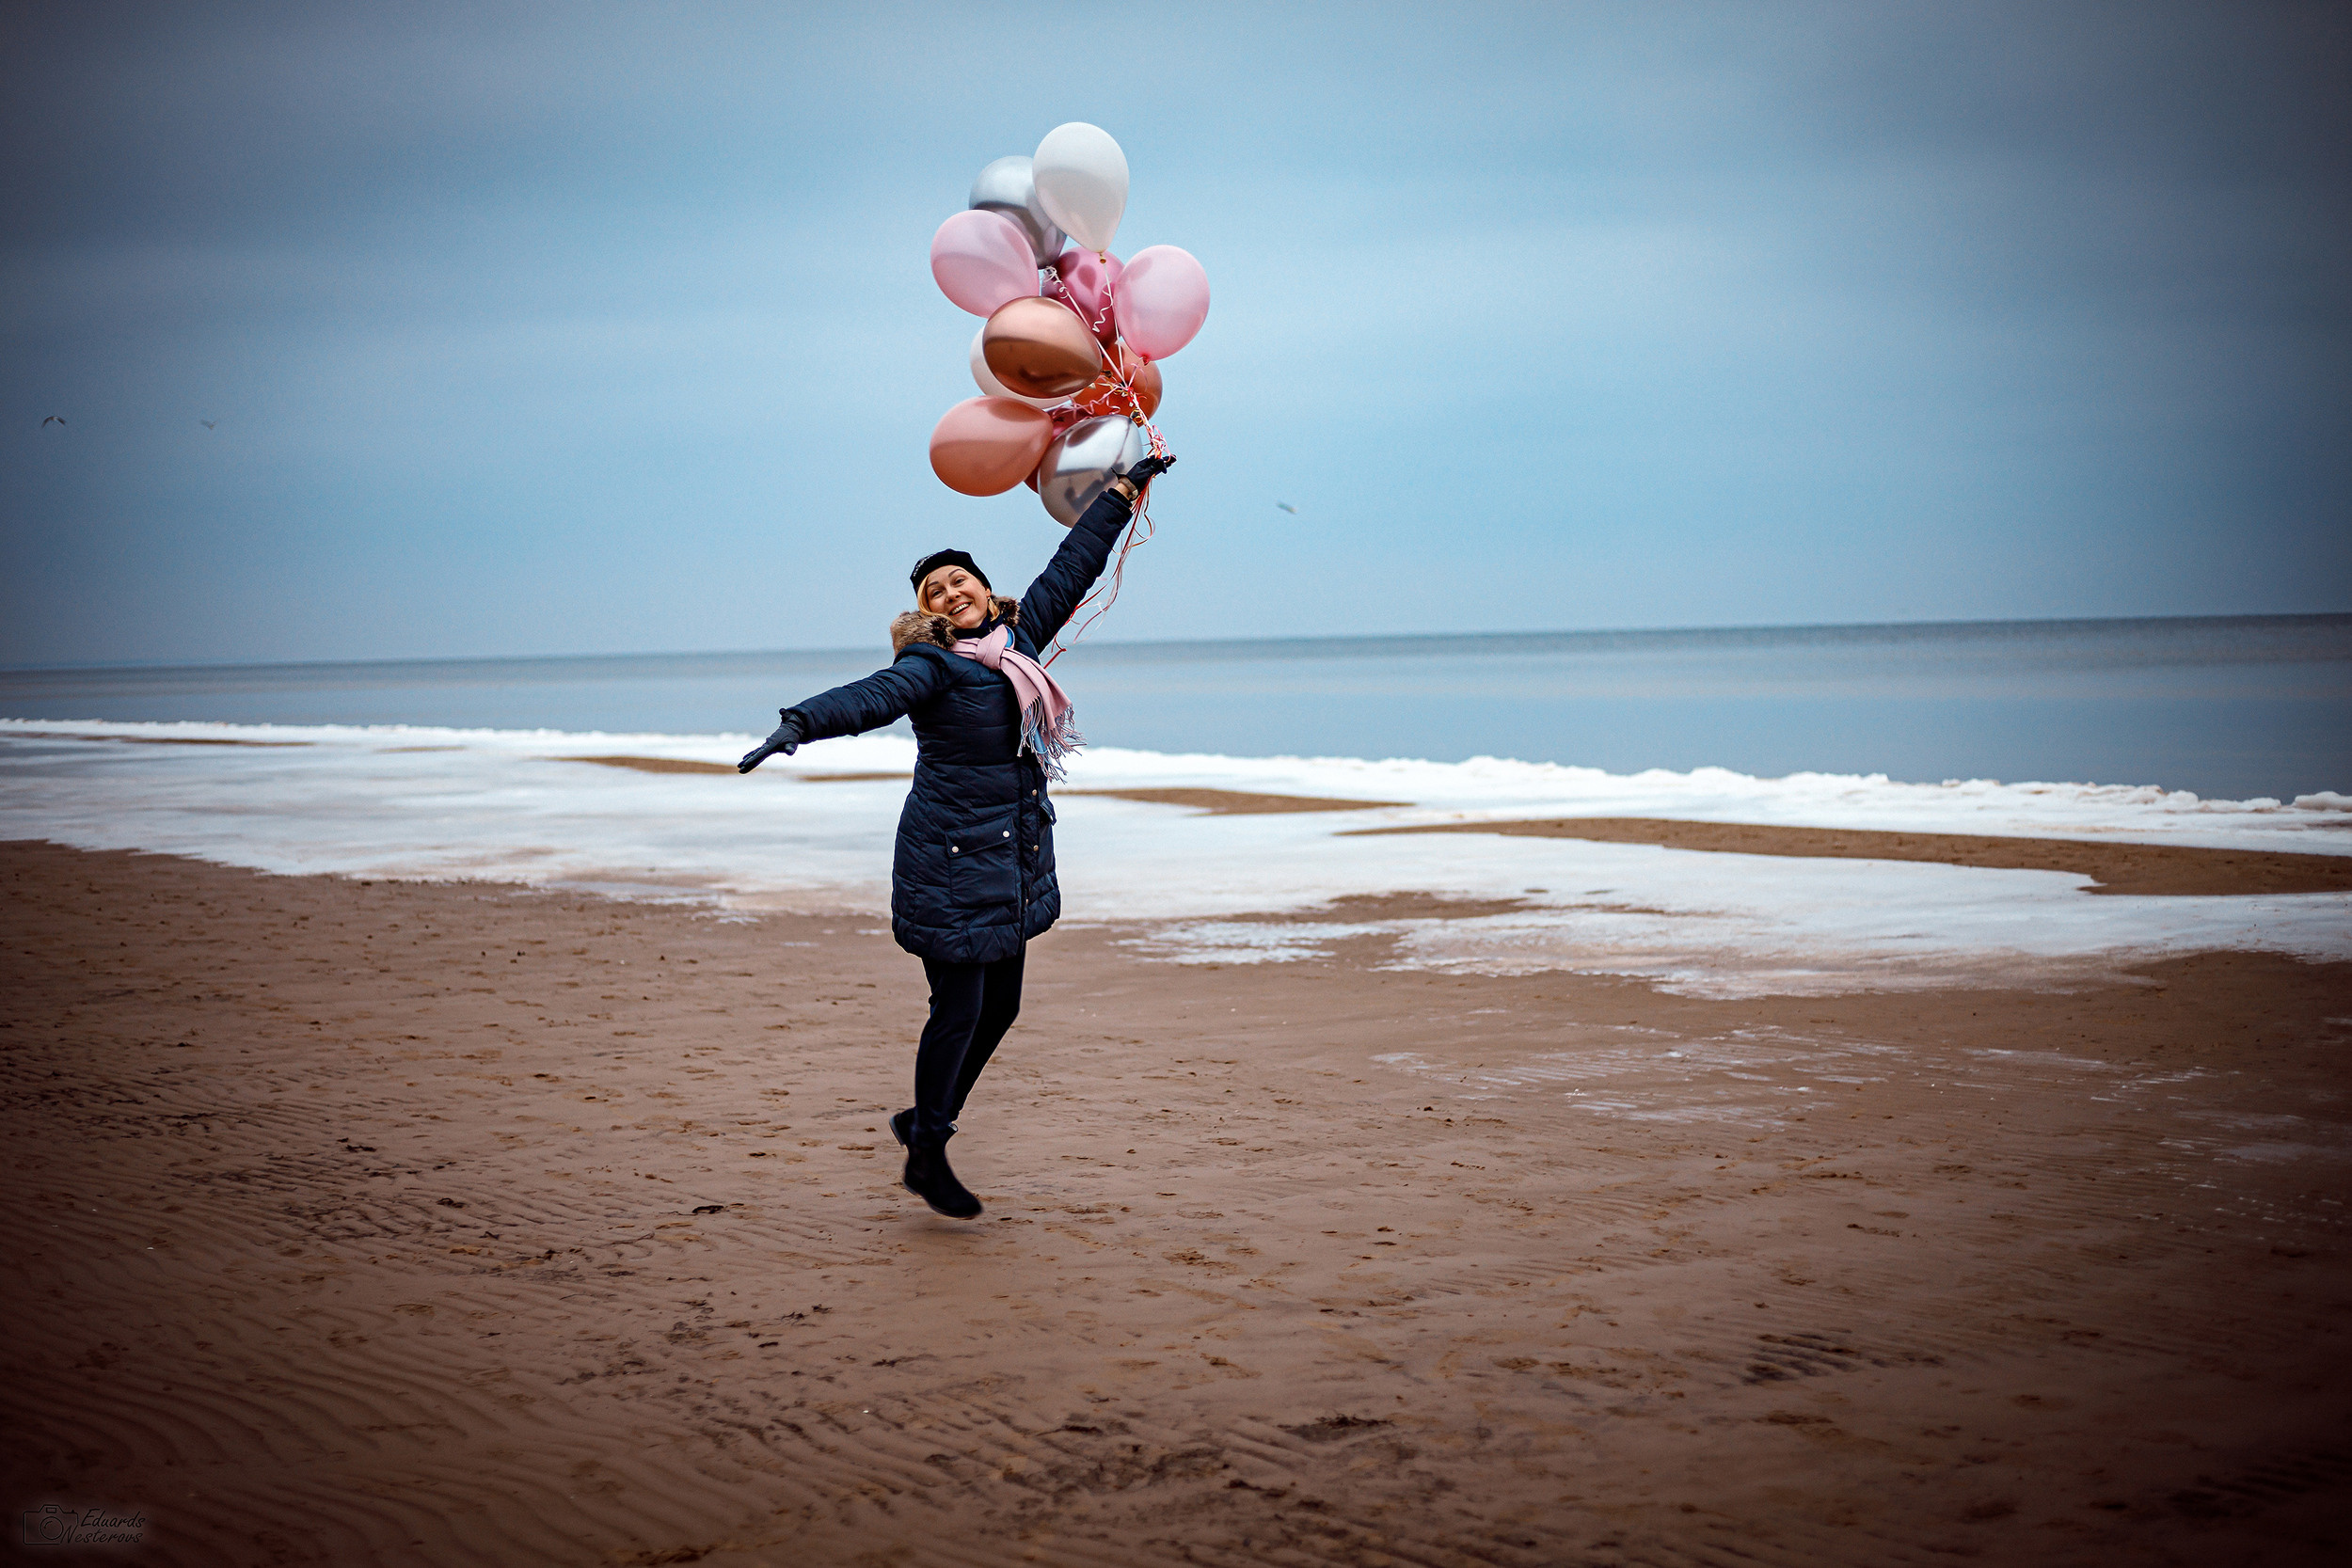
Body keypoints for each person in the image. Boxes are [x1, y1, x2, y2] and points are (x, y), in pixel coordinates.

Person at [738, 452, 1175, 1218]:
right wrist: (800, 722)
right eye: (933, 589)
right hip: (947, 861)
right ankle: (929, 1148)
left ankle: (921, 1122)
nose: (948, 590)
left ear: (981, 587)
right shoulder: (932, 666)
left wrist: (1122, 490)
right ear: (929, 612)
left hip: (1006, 857)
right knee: (960, 1008)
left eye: (958, 579)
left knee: (999, 1007)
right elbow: (873, 695)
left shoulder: (1021, 638)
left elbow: (1073, 563)